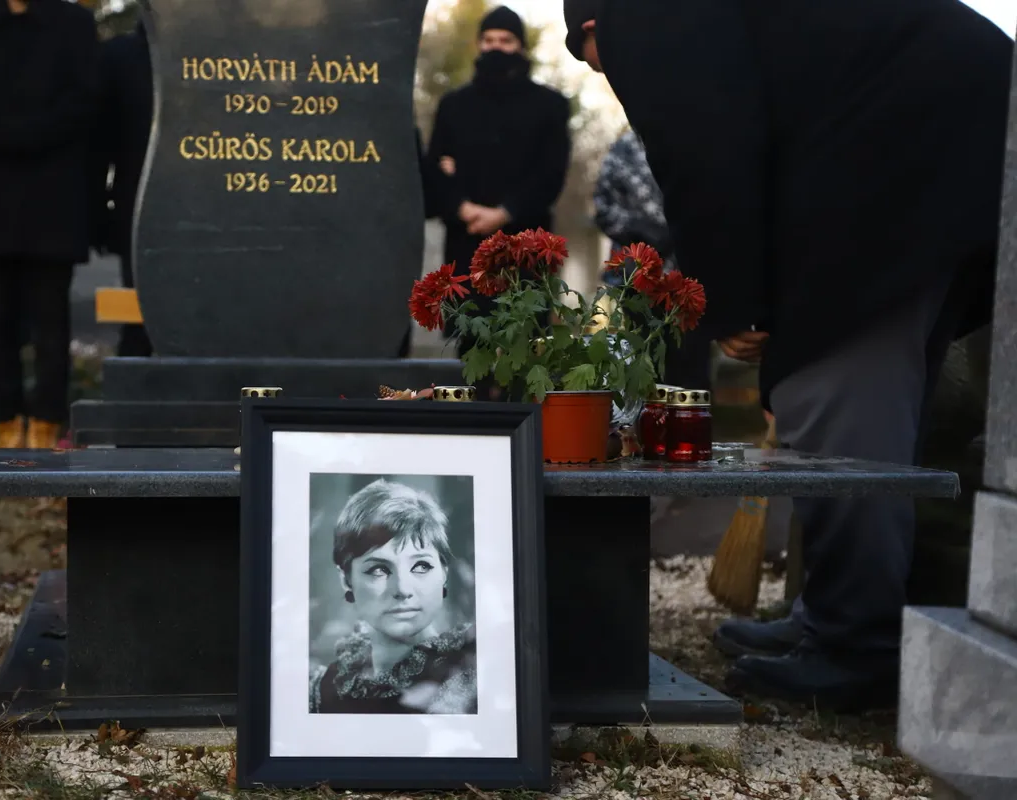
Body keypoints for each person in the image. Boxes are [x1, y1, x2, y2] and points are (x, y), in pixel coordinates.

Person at [563, 0, 1011, 710]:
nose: (613, 79)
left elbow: (706, 153)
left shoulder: (641, 14)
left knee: (838, 400)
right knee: (869, 402)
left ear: (590, 26)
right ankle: (831, 614)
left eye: (595, 64)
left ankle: (856, 645)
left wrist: (730, 305)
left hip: (908, 150)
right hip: (941, 133)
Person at [0, 0, 100, 449]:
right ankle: (4, 421)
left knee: (51, 320)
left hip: (54, 194)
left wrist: (30, 136)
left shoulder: (74, 24)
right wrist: (8, 137)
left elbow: (84, 101)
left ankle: (48, 421)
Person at [425, 6, 571, 359]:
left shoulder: (549, 106)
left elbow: (550, 173)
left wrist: (505, 212)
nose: (496, 48)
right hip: (466, 246)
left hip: (525, 249)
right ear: (478, 44)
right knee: (468, 356)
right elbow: (434, 169)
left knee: (525, 354)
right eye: (489, 40)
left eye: (505, 40)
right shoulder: (454, 105)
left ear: (520, 47)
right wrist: (462, 207)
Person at [309, 479, 477, 715]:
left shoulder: (473, 679)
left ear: (444, 573)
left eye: (421, 566)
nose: (402, 589)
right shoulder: (326, 686)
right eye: (378, 569)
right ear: (346, 580)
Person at [594, 128, 710, 391]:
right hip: (638, 281)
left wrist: (682, 230)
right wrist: (638, 229)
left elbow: (716, 203)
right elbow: (603, 210)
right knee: (643, 367)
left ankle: (691, 418)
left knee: (691, 371)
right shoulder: (624, 149)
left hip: (689, 282)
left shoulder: (694, 142)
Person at [90, 15, 153, 359]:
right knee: (139, 322)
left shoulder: (120, 57)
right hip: (137, 211)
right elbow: (100, 144)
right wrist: (100, 213)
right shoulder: (119, 58)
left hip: (139, 207)